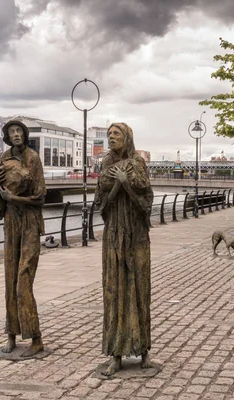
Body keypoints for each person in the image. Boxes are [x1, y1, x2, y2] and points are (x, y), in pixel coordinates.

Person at [95, 122, 154, 376]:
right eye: (109, 134)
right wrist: (118, 185)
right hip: (114, 236)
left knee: (139, 289)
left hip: (136, 236)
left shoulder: (138, 164)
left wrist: (126, 185)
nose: (111, 138)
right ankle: (116, 354)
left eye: (116, 134)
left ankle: (143, 351)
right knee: (114, 290)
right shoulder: (106, 163)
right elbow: (101, 205)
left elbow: (145, 204)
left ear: (127, 137)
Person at [0, 118, 46, 357]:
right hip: (12, 223)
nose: (15, 134)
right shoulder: (4, 158)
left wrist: (15, 200)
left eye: (18, 130)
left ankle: (36, 338)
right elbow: (0, 193)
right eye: (11, 131)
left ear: (24, 134)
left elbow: (41, 196)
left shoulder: (33, 158)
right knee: (10, 278)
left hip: (30, 223)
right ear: (7, 136)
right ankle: (11, 336)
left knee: (23, 280)